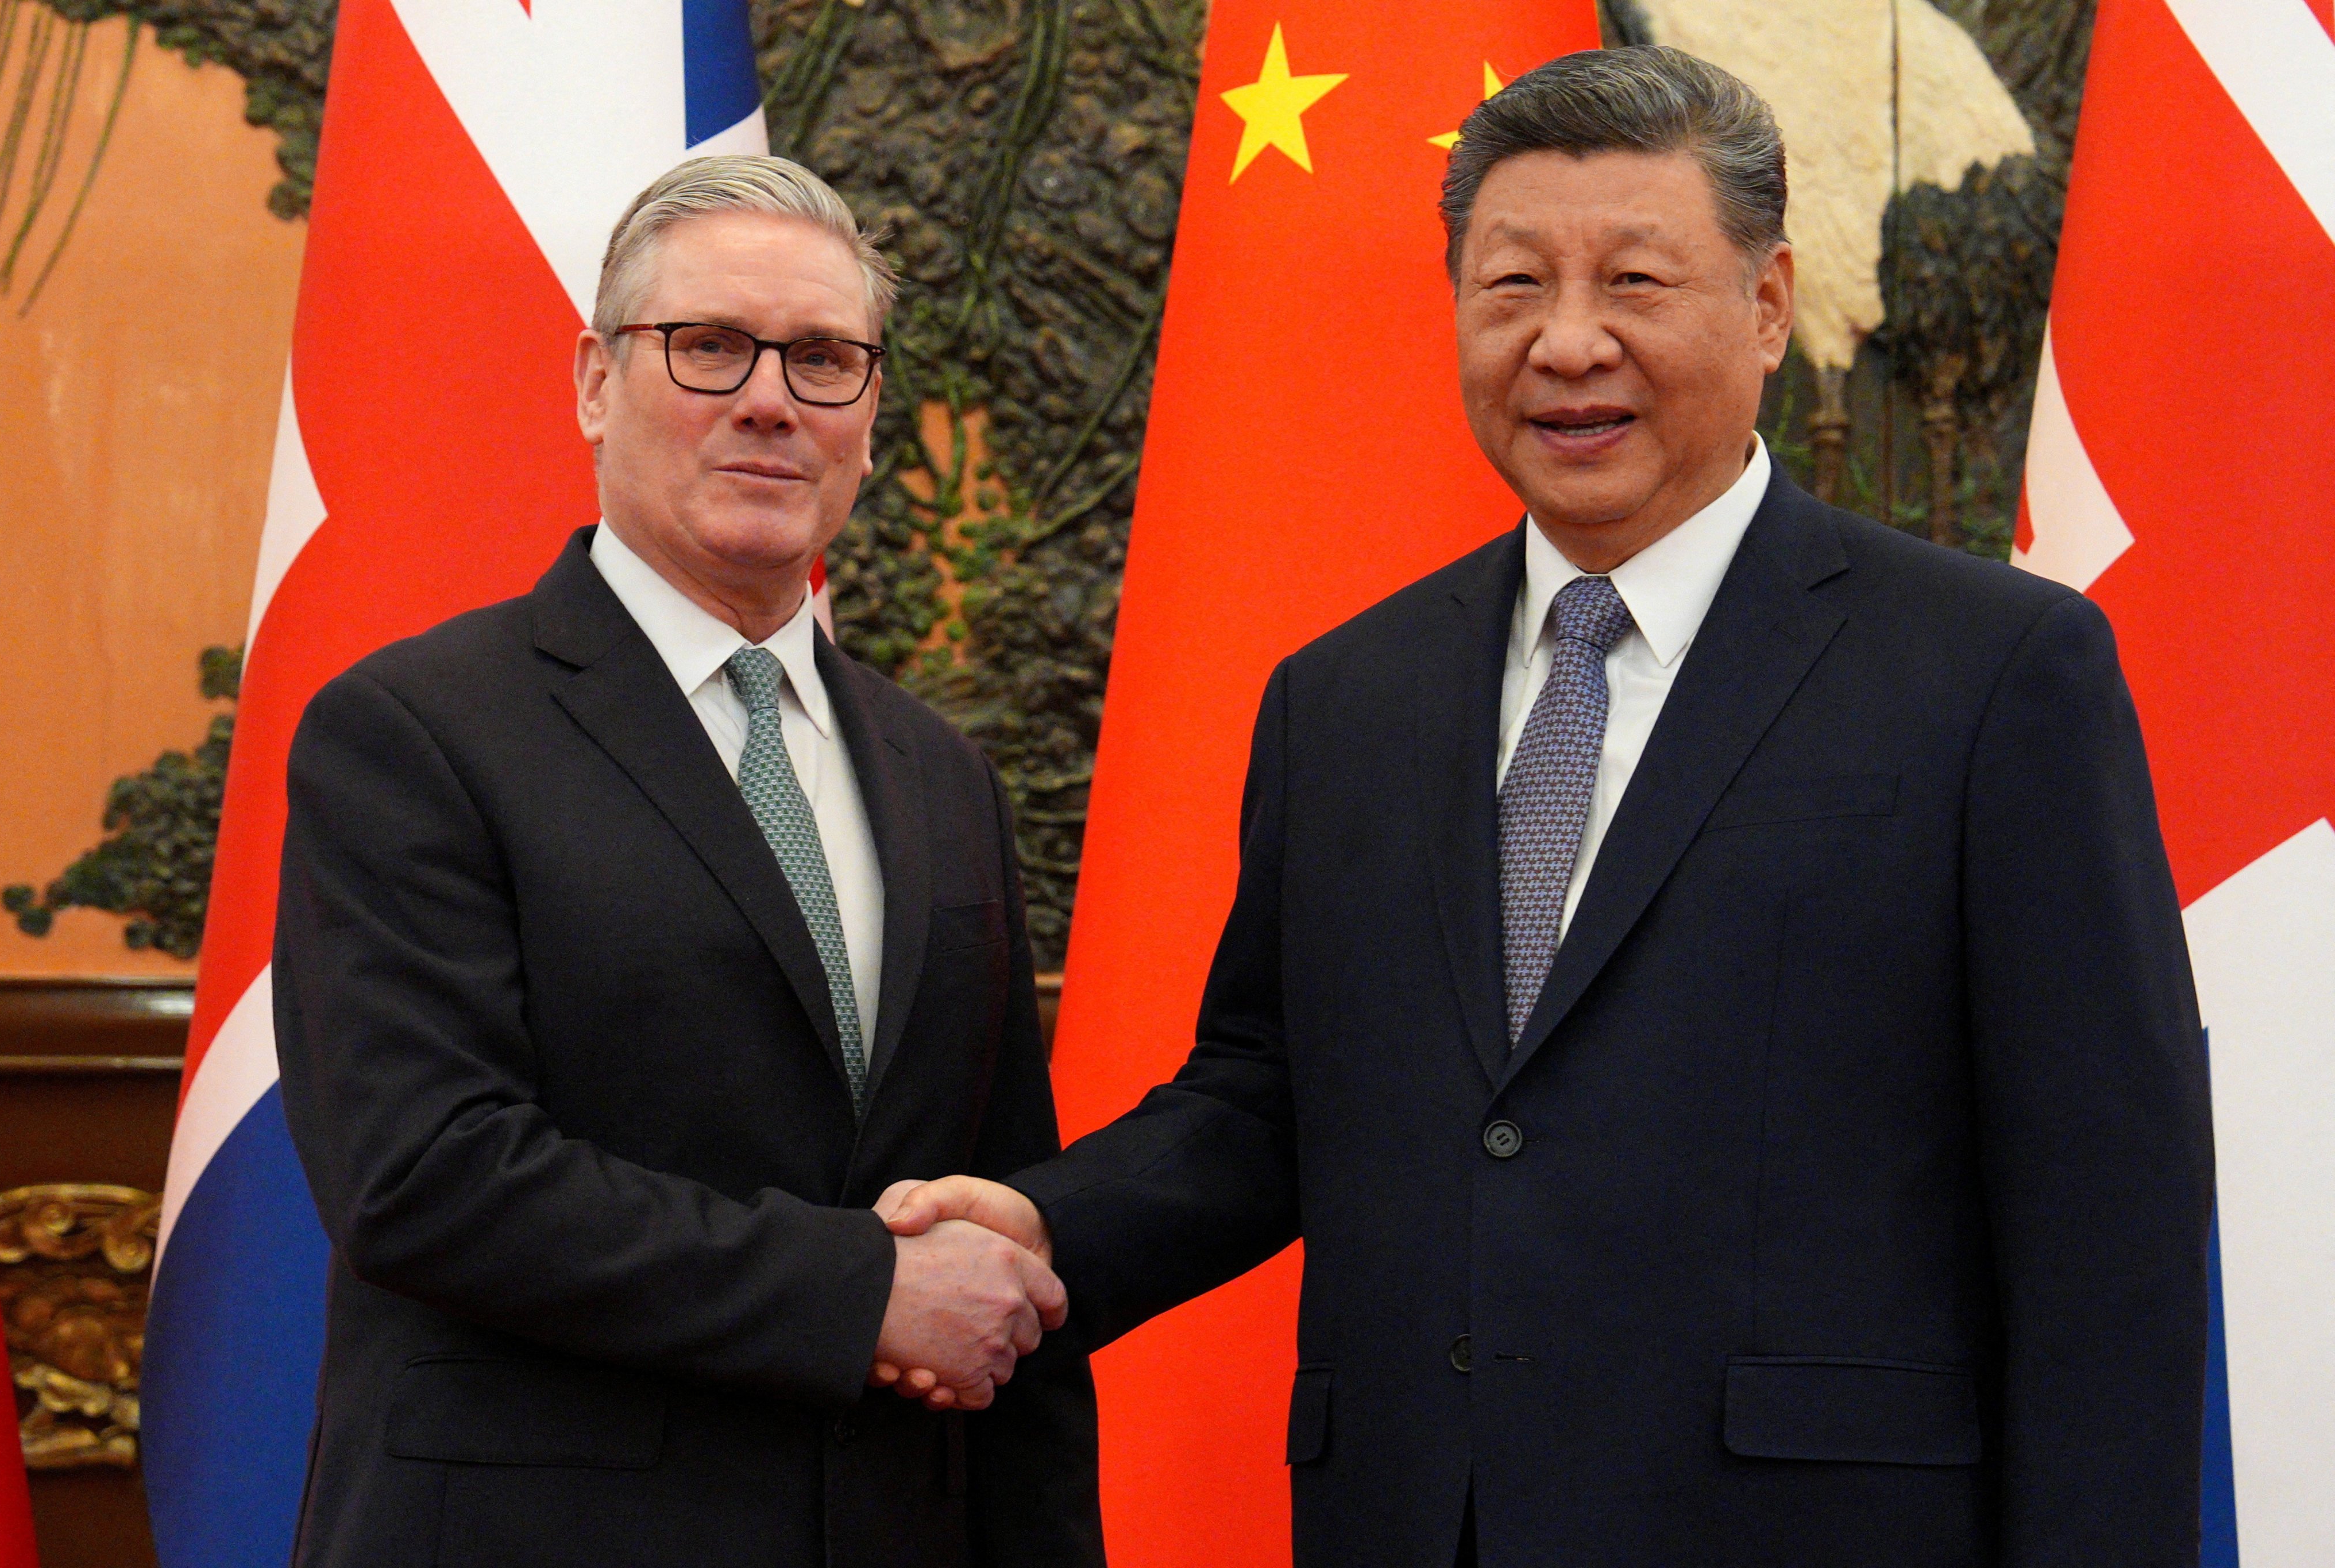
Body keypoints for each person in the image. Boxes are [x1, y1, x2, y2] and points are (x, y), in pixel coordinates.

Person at [875, 46, 2214, 1568]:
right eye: (1513, 287)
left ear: (1769, 306)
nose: (1568, 344)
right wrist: (1050, 1232)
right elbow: (1270, 1096)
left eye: (1635, 282)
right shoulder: (1346, 698)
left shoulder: (1991, 674)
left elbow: (2106, 1221)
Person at [272, 155, 1102, 1568]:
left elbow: (998, 1227)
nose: (770, 398)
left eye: (825, 359)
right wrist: (858, 1295)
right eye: (710, 346)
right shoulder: (411, 731)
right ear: (595, 381)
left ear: (867, 413)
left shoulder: (939, 775)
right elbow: (425, 1176)